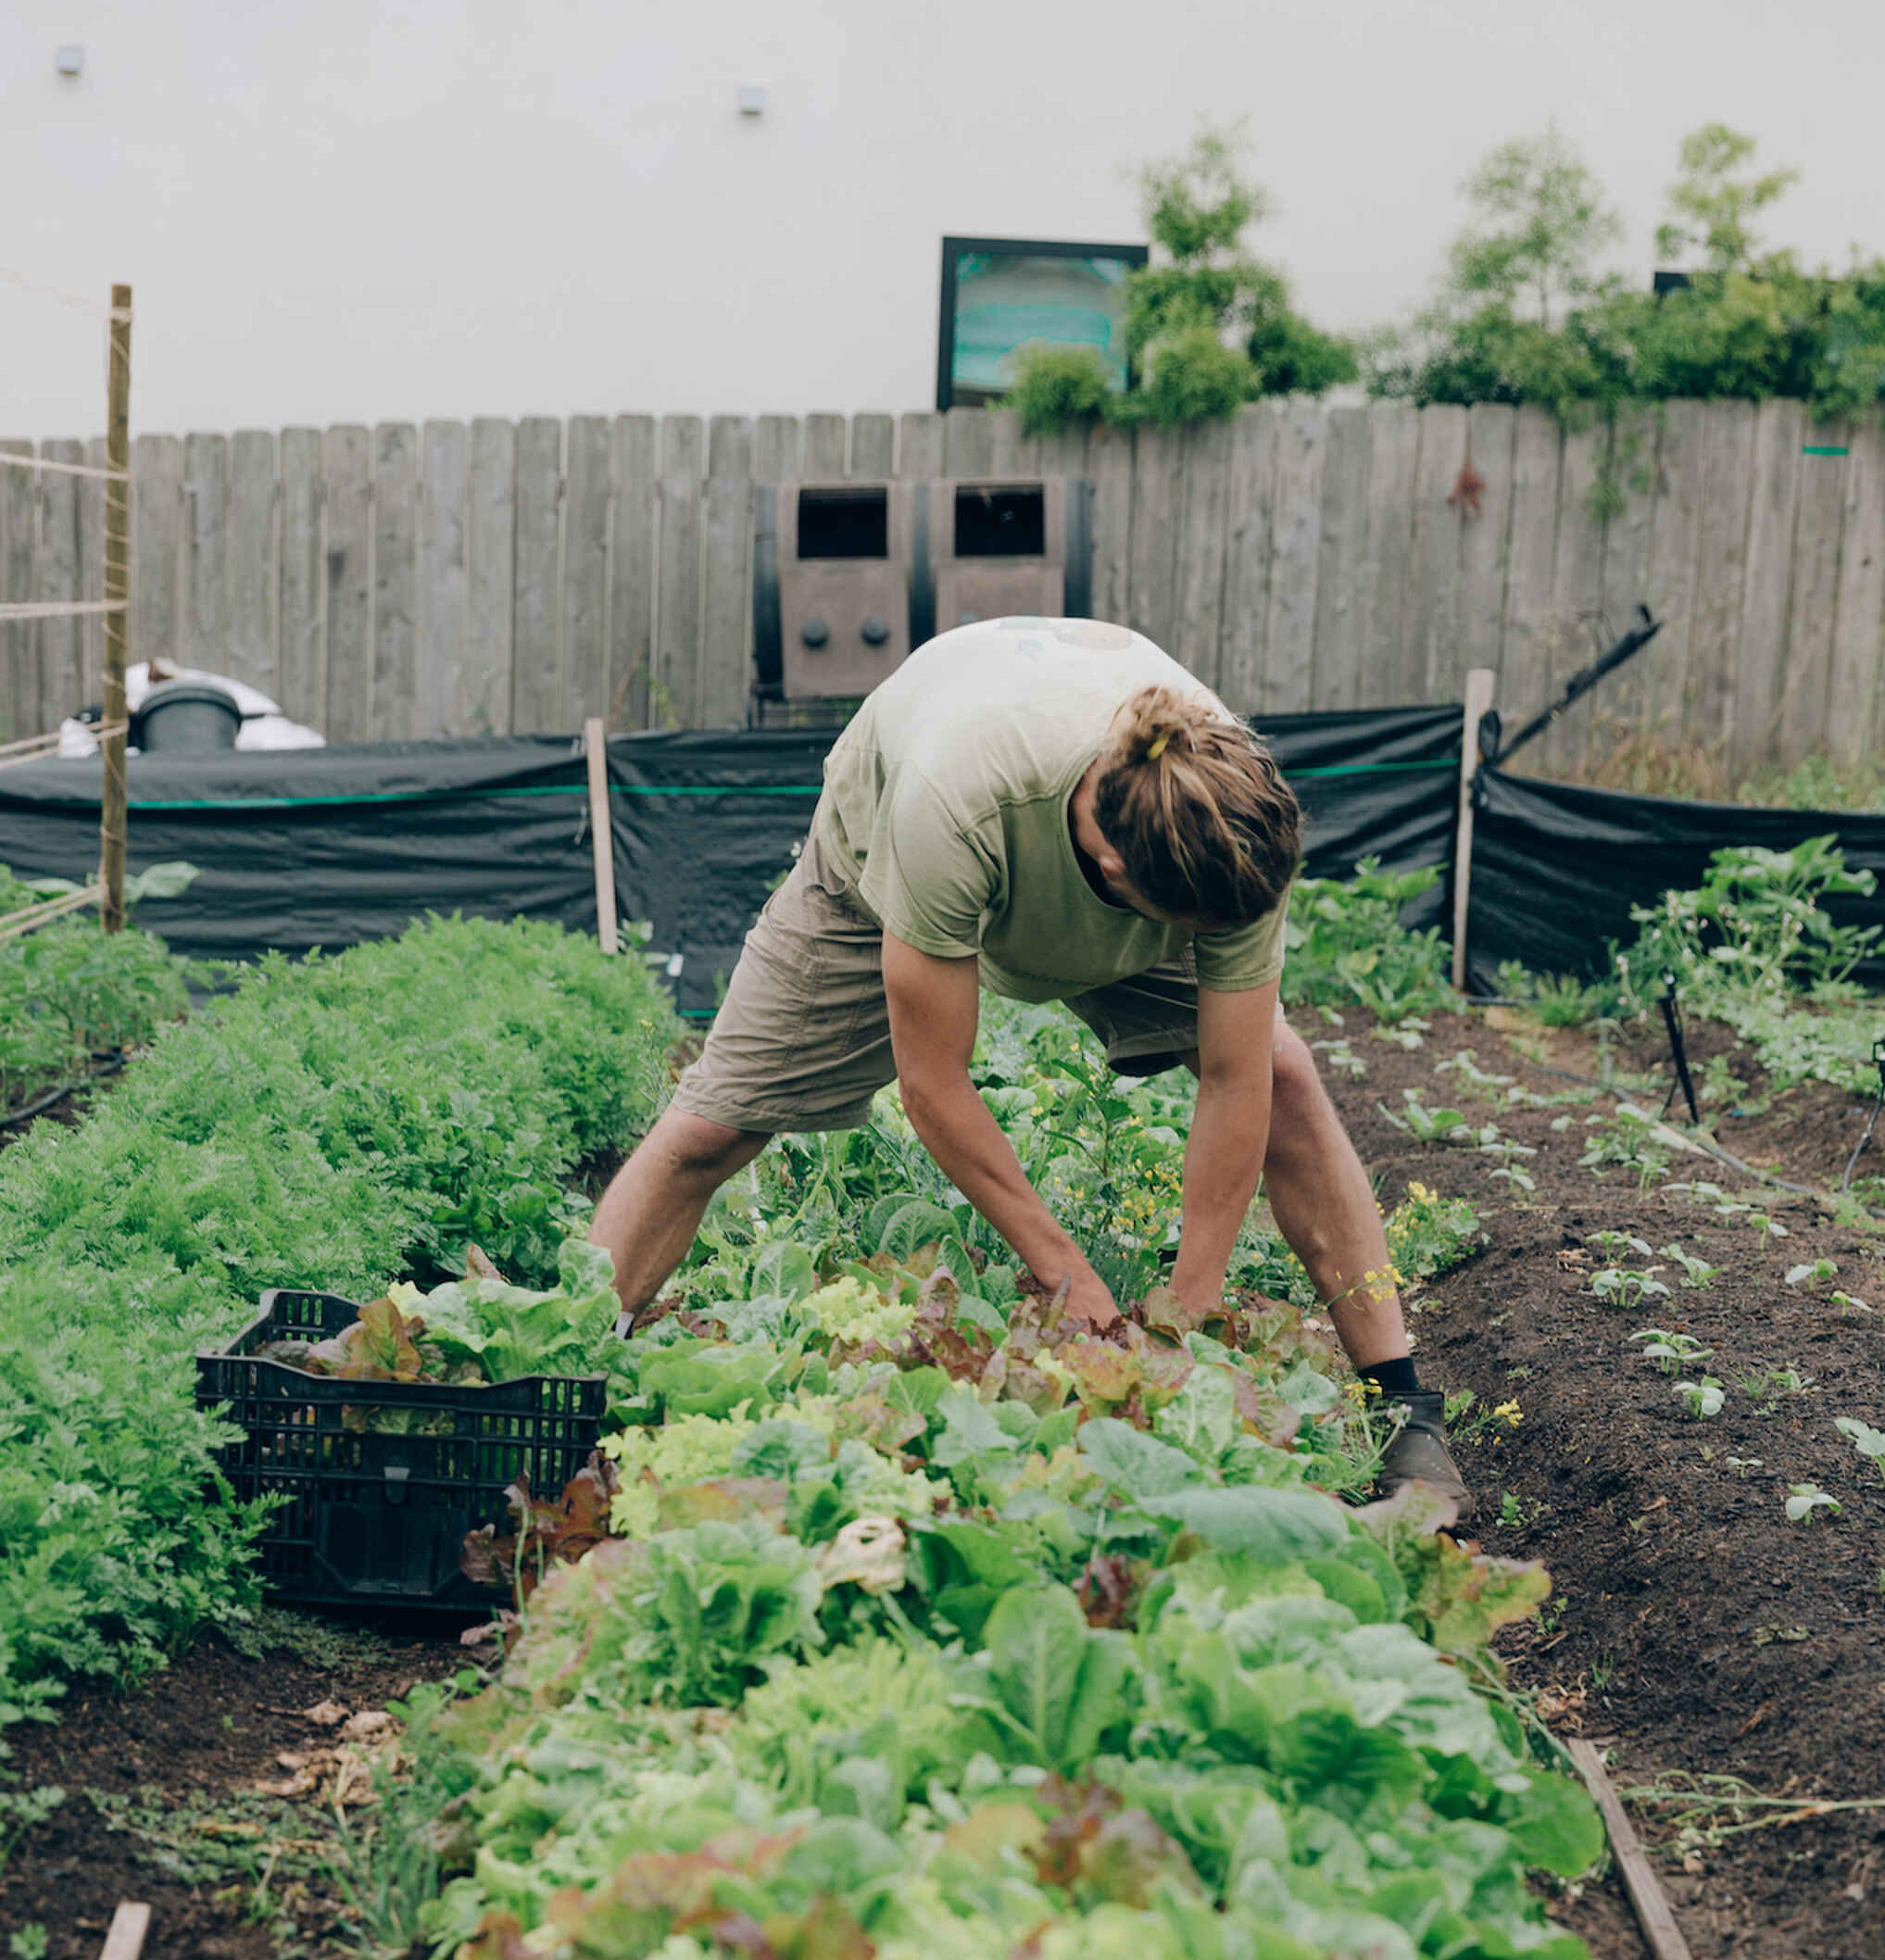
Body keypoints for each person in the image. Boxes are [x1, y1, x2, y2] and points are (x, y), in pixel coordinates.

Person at [589, 614, 1468, 1503]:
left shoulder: (1225, 812)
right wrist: (1066, 1272)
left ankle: (1403, 1409)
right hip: (883, 864)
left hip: (1128, 854)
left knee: (1283, 1074)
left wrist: (1183, 1326)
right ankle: (569, 1378)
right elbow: (933, 1083)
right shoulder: (953, 798)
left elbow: (1237, 1078)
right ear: (1119, 880)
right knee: (711, 1127)